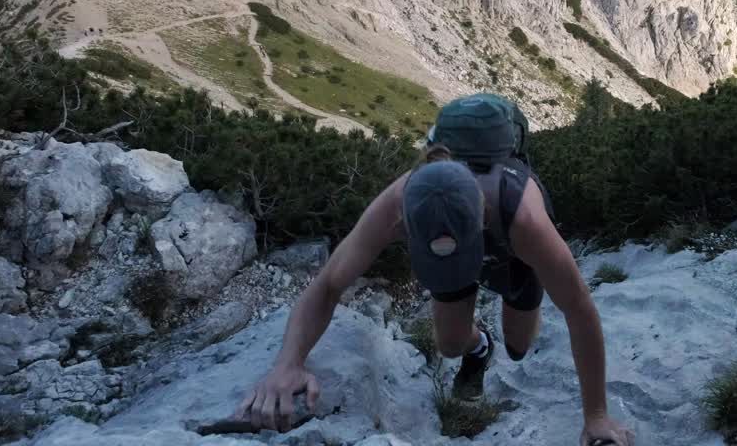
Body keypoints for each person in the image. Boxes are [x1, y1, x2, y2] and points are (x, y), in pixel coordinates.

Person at [236, 94, 635, 446]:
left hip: (512, 257)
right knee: (449, 345)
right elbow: (327, 286)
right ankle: (480, 348)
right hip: (468, 239)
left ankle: (504, 341)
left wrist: (596, 416)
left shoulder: (526, 221)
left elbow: (579, 309)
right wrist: (288, 363)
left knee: (520, 345)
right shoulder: (398, 204)